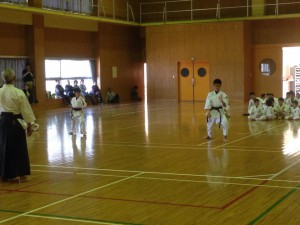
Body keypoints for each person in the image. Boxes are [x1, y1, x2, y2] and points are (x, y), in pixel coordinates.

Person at [0, 69, 36, 182]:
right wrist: (30, 125)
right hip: (15, 122)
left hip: (2, 122)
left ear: (3, 79)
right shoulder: (18, 92)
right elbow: (25, 110)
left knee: (2, 147)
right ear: (14, 79)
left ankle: (3, 175)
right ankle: (22, 175)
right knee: (19, 148)